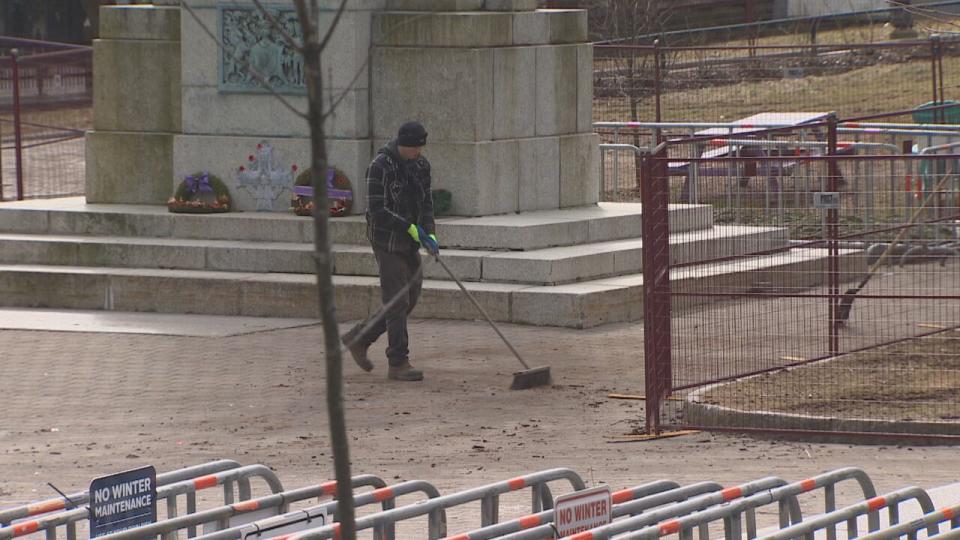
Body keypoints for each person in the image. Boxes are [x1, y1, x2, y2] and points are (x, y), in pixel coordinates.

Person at [341, 121, 439, 381]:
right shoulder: (379, 167)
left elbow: (427, 201)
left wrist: (429, 232)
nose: (418, 153)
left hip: (411, 241)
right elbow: (377, 210)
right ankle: (398, 362)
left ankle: (360, 338)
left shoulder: (421, 166)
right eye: (413, 148)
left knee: (412, 296)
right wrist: (407, 227)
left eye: (420, 148)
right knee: (397, 301)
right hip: (387, 241)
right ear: (402, 145)